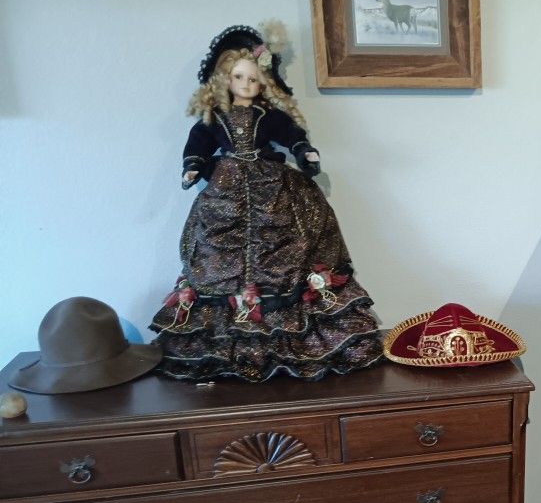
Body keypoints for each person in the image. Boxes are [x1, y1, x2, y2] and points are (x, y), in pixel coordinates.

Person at [150, 22, 382, 382]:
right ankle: (228, 347)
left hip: (272, 185)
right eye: (239, 77)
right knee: (218, 252)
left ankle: (294, 341)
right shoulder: (213, 118)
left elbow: (292, 136)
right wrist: (192, 168)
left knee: (292, 242)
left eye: (253, 79)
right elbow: (197, 144)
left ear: (264, 82)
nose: (246, 85)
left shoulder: (269, 116)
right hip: (224, 189)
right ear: (224, 78)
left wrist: (305, 153)